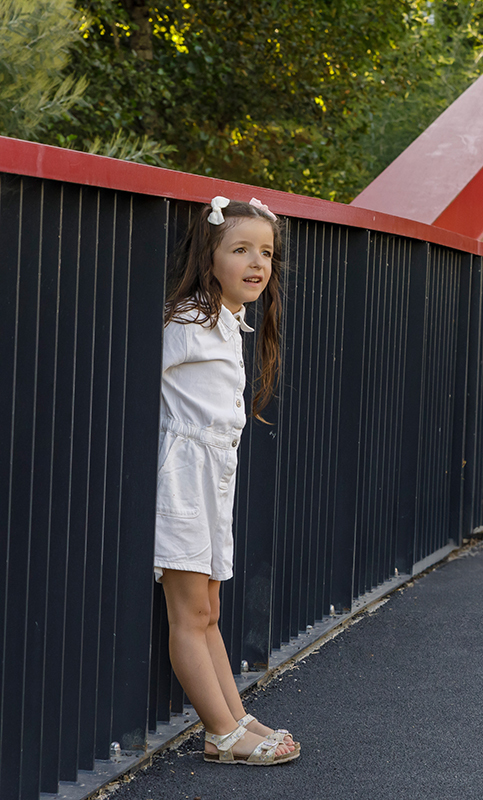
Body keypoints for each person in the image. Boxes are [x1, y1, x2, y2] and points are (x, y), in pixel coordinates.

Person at [155, 196, 299, 765]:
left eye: (265, 252)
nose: (257, 263)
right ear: (209, 255)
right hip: (183, 479)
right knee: (189, 613)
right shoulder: (185, 322)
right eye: (240, 250)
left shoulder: (228, 323)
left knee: (210, 610)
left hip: (215, 476)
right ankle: (220, 734)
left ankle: (236, 716)